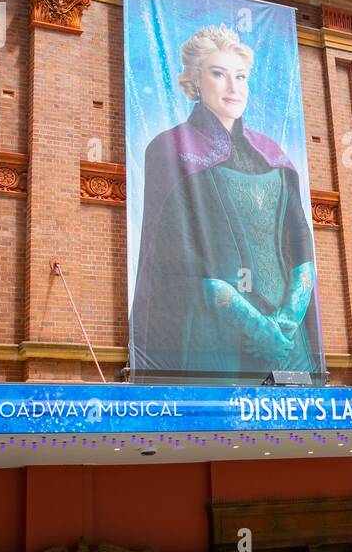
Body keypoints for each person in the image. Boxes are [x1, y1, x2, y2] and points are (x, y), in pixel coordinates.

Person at [130, 24, 319, 379]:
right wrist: (254, 325)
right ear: (195, 81)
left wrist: (286, 322)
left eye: (241, 76)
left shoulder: (273, 153)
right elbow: (175, 257)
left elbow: (301, 243)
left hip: (289, 343)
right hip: (211, 336)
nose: (234, 87)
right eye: (219, 74)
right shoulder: (169, 148)